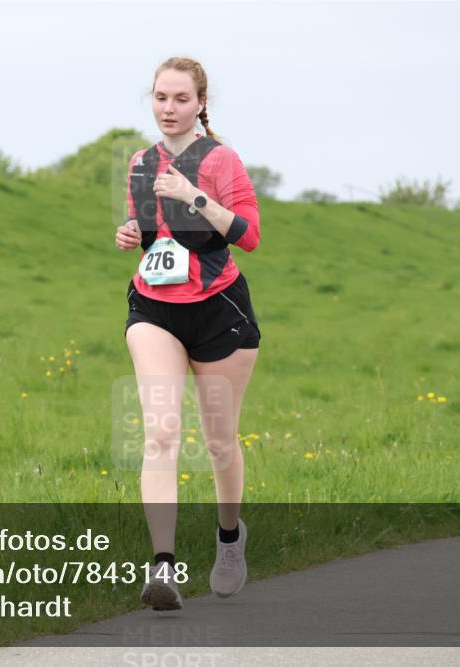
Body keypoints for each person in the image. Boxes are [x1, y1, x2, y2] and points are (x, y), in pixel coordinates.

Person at [115, 56, 261, 611]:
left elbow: (248, 235)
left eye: (180, 99)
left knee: (220, 441)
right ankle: (163, 568)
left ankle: (229, 538)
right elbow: (154, 234)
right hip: (156, 308)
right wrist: (132, 233)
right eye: (160, 97)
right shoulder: (140, 163)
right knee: (161, 433)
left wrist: (192, 195)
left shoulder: (222, 159)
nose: (169, 108)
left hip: (219, 310)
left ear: (200, 103)